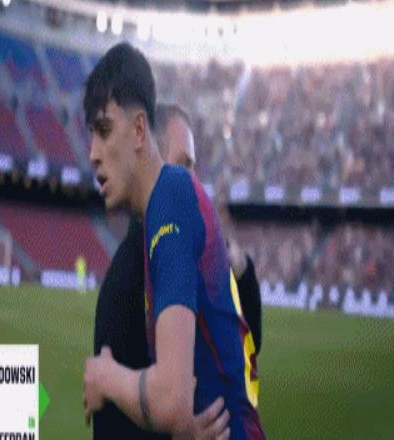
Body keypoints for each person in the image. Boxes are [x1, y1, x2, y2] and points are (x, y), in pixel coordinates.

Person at [83, 42, 265, 439]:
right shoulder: (158, 223)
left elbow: (171, 401)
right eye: (91, 134)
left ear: (138, 130)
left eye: (104, 130)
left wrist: (104, 376)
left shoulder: (171, 193)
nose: (93, 153)